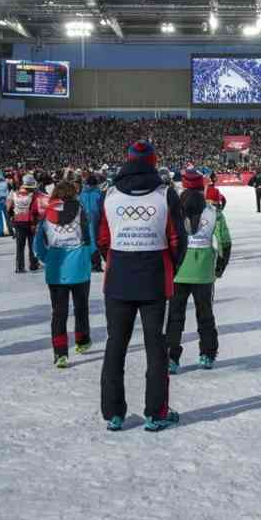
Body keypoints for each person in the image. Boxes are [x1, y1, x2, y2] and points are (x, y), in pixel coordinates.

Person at [97, 140, 187, 432]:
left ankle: (114, 413)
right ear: (152, 161)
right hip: (154, 281)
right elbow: (177, 240)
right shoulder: (165, 194)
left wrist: (116, 258)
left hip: (118, 280)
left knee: (115, 345)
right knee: (156, 348)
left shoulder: (109, 194)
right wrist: (169, 266)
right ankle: (156, 411)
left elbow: (102, 239)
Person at [166, 168, 231, 372]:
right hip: (203, 271)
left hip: (178, 270)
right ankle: (207, 354)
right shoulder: (214, 213)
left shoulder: (173, 210)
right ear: (201, 188)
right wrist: (219, 268)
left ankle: (171, 358)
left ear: (184, 186)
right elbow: (225, 243)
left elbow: (165, 239)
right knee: (205, 314)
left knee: (175, 316)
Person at [34, 179, 93, 367]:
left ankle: (60, 353)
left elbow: (38, 244)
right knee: (81, 307)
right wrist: (86, 254)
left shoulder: (46, 215)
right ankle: (82, 341)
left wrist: (48, 258)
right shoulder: (81, 210)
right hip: (80, 268)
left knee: (59, 313)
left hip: (56, 269)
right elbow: (89, 238)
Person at [8, 174, 41, 273]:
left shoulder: (14, 193)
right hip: (30, 222)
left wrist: (12, 217)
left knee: (20, 246)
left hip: (18, 221)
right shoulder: (34, 194)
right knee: (32, 245)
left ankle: (19, 267)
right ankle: (33, 264)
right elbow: (35, 210)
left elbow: (8, 207)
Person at [80, 173, 104, 273]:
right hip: (96, 221)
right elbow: (102, 208)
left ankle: (90, 264)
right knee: (95, 241)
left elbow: (80, 207)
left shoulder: (82, 194)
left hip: (85, 221)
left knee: (87, 242)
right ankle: (96, 264)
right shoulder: (98, 194)